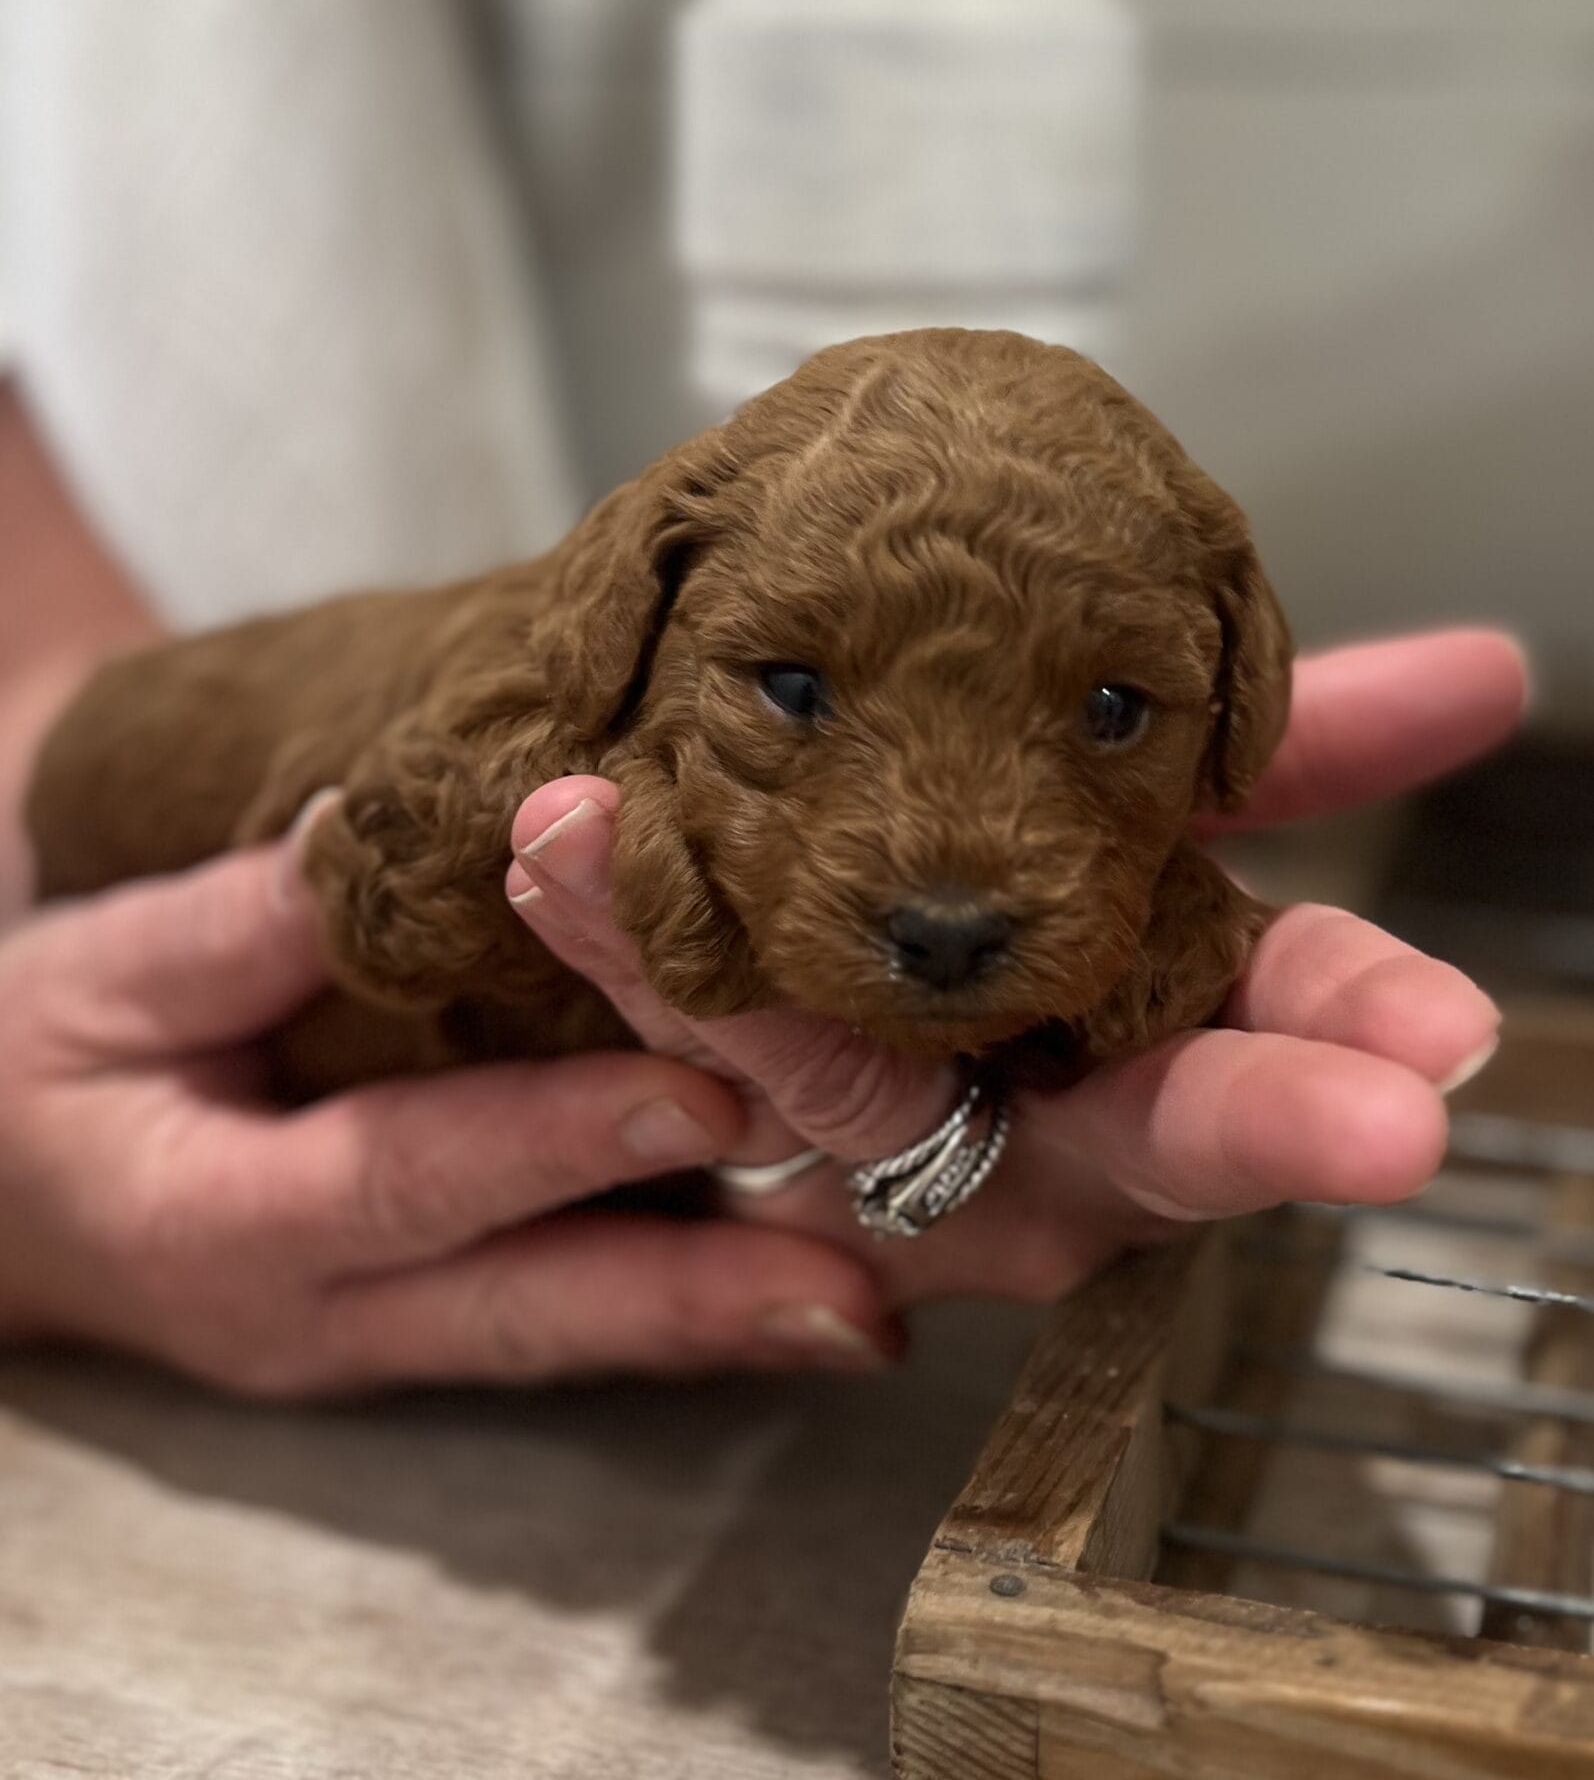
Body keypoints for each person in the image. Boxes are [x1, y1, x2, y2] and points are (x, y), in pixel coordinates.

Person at [0, 376, 1525, 1393]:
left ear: (1233, 696)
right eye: (793, 691)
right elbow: (393, 890)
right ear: (639, 600)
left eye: (1110, 715)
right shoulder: (524, 719)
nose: (945, 893)